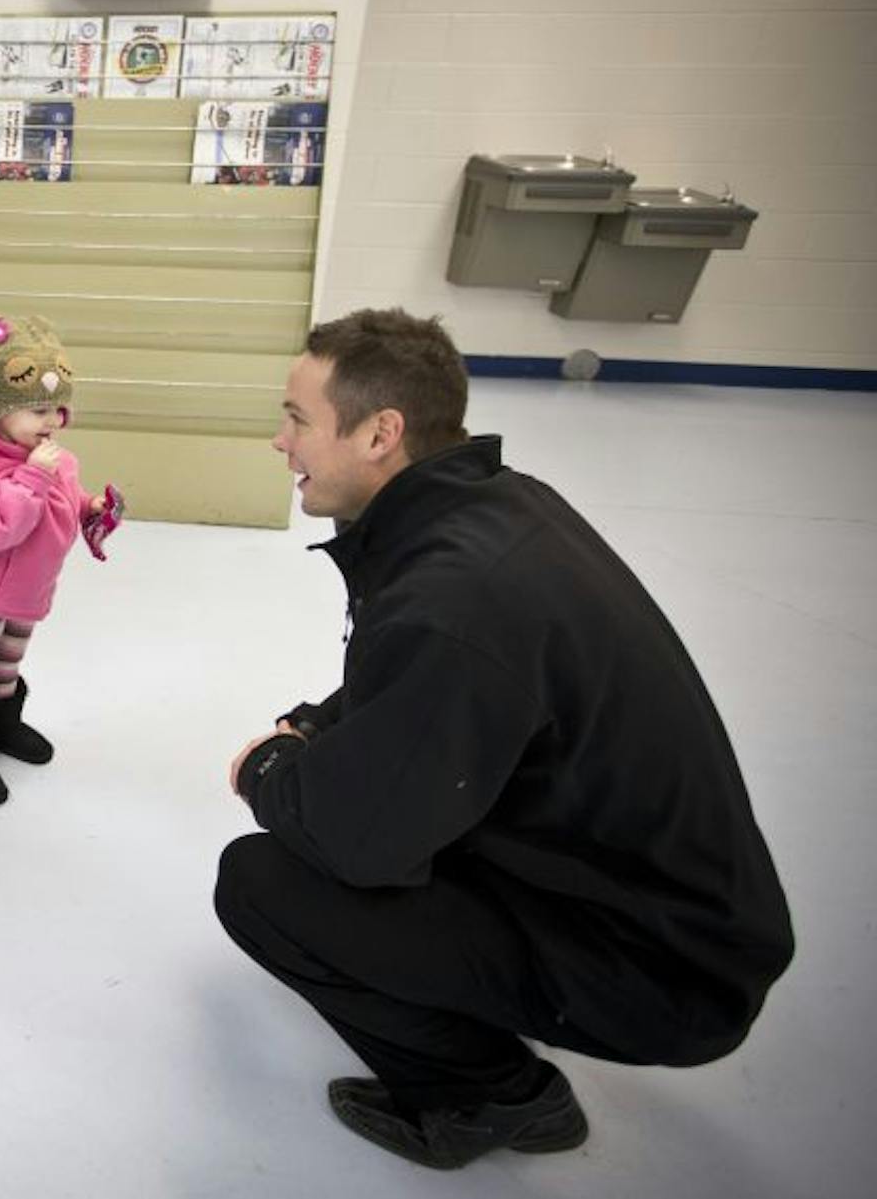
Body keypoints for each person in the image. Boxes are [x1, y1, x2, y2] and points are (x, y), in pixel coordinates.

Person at [214, 308, 793, 1169]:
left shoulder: (454, 601)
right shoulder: (492, 510)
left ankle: (493, 1095)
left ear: (382, 432)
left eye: (298, 418)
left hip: (662, 970)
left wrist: (268, 768)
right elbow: (432, 688)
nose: (280, 440)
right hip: (676, 912)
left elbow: (356, 838)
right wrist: (321, 724)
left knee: (263, 884)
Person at [0, 316, 121, 806]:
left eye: (57, 409)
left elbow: (66, 500)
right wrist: (33, 479)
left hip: (28, 591)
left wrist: (90, 507)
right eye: (37, 410)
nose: (51, 422)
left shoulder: (54, 458)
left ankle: (3, 725)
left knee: (7, 665)